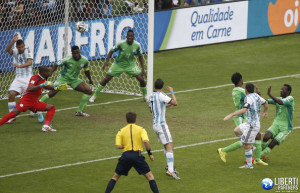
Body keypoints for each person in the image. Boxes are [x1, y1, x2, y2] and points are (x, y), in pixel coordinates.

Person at [218, 73, 267, 165]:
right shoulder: (241, 90)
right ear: (240, 80)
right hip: (242, 117)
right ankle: (224, 150)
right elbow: (252, 96)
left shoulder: (235, 90)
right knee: (246, 140)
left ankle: (257, 158)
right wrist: (258, 94)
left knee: (257, 135)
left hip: (244, 116)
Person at [105, 112, 159, 193]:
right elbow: (146, 142)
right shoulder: (141, 129)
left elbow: (117, 146)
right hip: (137, 155)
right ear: (135, 119)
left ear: (126, 119)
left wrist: (126, 145)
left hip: (126, 156)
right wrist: (150, 154)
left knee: (115, 177)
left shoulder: (121, 131)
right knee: (150, 177)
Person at [0, 66, 67, 132]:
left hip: (34, 102)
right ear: (43, 73)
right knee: (13, 114)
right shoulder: (35, 78)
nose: (50, 73)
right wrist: (42, 84)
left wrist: (57, 88)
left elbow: (46, 86)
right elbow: (30, 88)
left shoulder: (43, 78)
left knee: (51, 108)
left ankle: (45, 127)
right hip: (26, 100)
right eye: (48, 72)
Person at [37, 45, 94, 121]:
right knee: (53, 92)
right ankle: (37, 106)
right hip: (63, 78)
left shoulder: (85, 60)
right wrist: (51, 72)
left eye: (77, 53)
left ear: (79, 52)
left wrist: (90, 79)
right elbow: (56, 64)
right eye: (74, 53)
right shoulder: (67, 59)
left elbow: (86, 70)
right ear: (72, 53)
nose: (76, 55)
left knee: (88, 91)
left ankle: (79, 112)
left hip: (74, 79)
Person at [89, 29, 147, 103]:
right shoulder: (121, 43)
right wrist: (107, 61)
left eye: (131, 36)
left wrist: (143, 69)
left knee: (141, 79)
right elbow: (111, 51)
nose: (129, 37)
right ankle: (94, 96)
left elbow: (140, 56)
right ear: (126, 36)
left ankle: (145, 96)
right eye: (128, 36)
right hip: (118, 64)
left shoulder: (137, 45)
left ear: (134, 37)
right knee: (107, 78)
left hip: (130, 65)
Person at [147, 78, 180, 179]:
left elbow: (152, 110)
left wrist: (167, 106)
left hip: (155, 125)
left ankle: (169, 166)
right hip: (161, 125)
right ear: (162, 86)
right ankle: (170, 171)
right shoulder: (162, 95)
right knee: (169, 144)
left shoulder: (150, 96)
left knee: (168, 145)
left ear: (154, 86)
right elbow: (175, 102)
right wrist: (172, 92)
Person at [260, 84, 294, 159]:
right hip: (276, 124)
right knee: (266, 137)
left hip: (285, 128)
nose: (281, 91)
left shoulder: (290, 99)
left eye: (283, 90)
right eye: (281, 89)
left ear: (288, 91)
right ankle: (262, 156)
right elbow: (266, 101)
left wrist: (269, 94)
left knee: (273, 143)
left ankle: (258, 157)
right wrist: (258, 97)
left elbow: (280, 102)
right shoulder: (277, 99)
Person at [5, 33, 33, 124]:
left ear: (24, 46)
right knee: (11, 94)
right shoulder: (16, 51)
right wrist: (13, 41)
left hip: (27, 78)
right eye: (19, 47)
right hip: (18, 78)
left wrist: (20, 66)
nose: (21, 48)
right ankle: (11, 116)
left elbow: (30, 63)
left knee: (31, 98)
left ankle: (38, 112)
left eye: (22, 47)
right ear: (16, 47)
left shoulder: (28, 51)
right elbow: (7, 49)